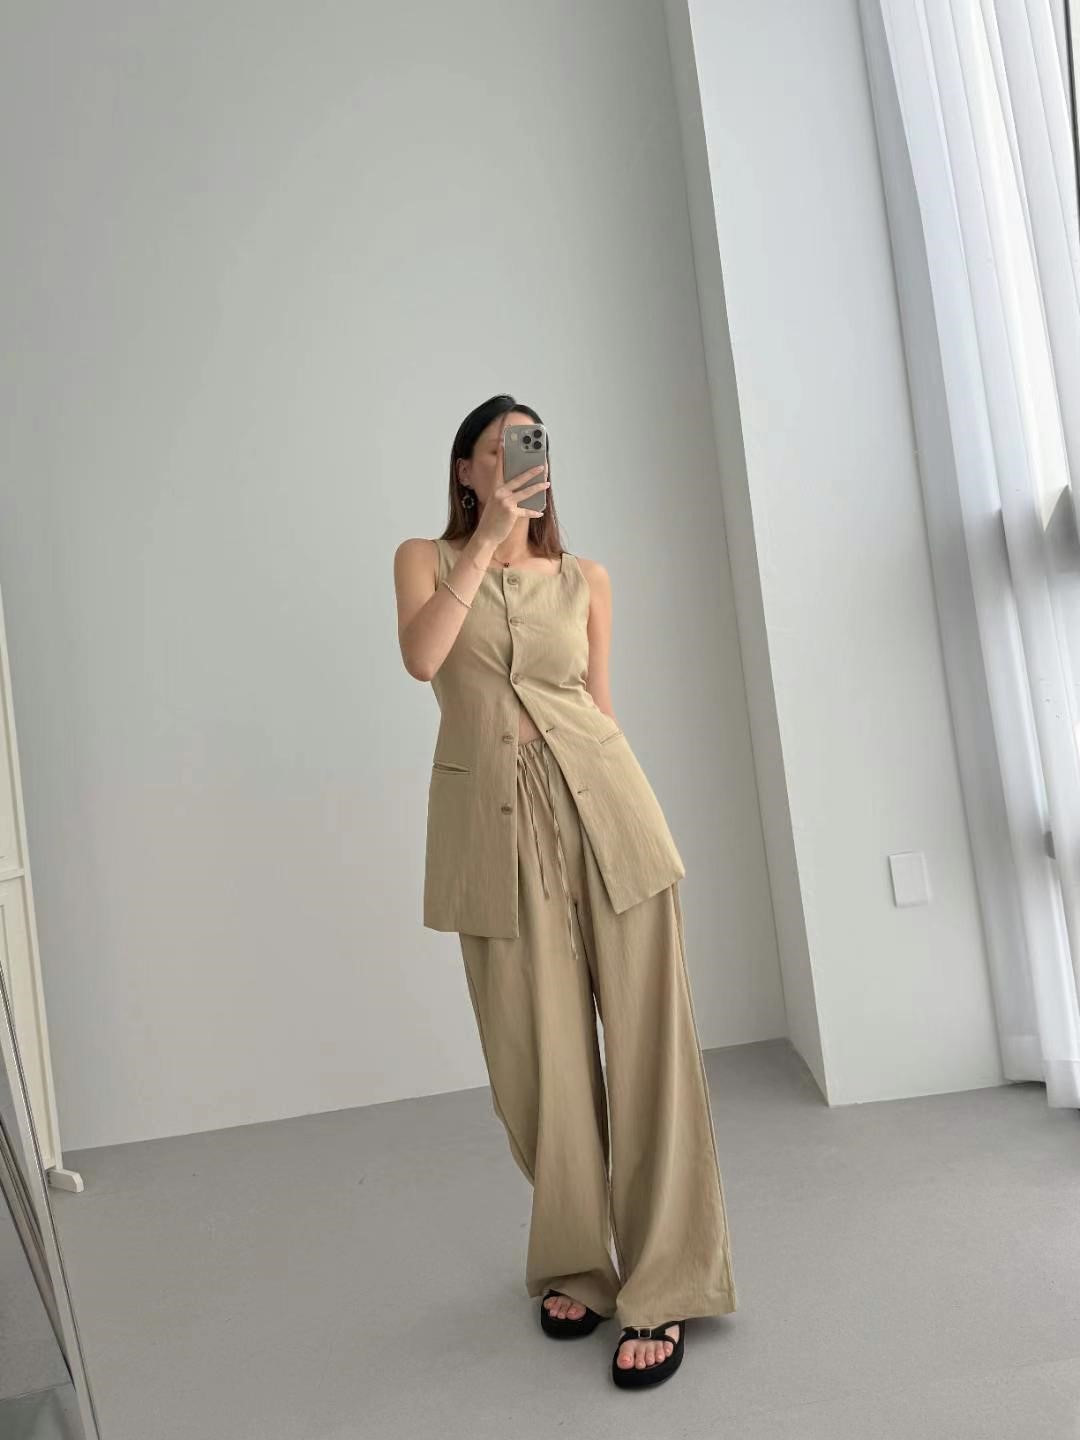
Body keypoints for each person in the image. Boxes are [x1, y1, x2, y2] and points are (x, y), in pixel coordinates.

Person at [393, 394, 738, 1390]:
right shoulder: (424, 558)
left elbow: (599, 706)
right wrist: (486, 541)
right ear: (466, 470)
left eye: (529, 447)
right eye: (496, 448)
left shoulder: (587, 578)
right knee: (535, 1060)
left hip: (608, 812)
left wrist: (627, 821)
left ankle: (665, 1285)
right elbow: (423, 659)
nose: (515, 461)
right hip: (494, 835)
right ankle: (578, 1263)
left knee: (649, 1050)